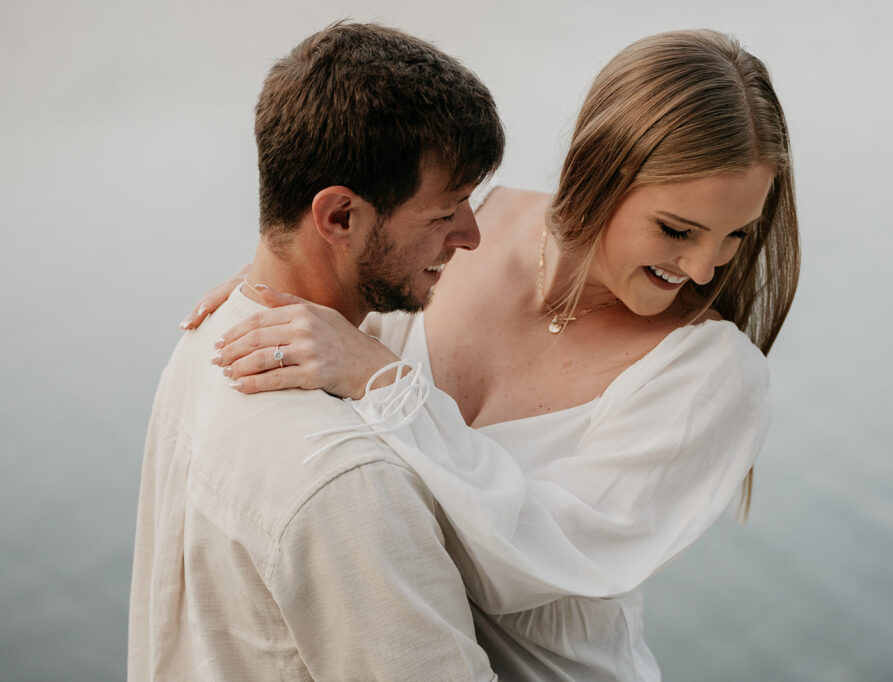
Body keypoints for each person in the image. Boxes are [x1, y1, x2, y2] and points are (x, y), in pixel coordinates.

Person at [187, 29, 800, 681]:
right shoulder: (475, 220)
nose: (705, 269)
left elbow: (521, 563)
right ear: (600, 170)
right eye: (677, 230)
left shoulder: (711, 377)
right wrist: (289, 291)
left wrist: (384, 381)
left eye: (737, 235)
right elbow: (343, 308)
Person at [128, 21, 505, 681]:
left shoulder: (204, 339)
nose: (472, 236)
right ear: (337, 216)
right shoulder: (347, 482)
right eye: (446, 212)